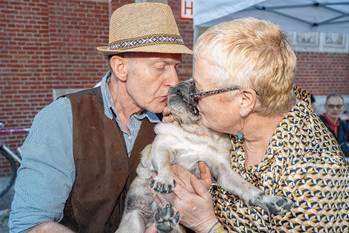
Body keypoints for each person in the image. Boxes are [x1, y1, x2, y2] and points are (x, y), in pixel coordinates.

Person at [9, 3, 191, 233]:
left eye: (175, 66)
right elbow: (31, 224)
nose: (174, 81)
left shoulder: (171, 123)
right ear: (121, 67)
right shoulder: (62, 118)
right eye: (160, 67)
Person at [166, 18, 349, 232]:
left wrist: (207, 224)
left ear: (245, 100)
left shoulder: (314, 174)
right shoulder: (247, 122)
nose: (192, 97)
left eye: (199, 90)